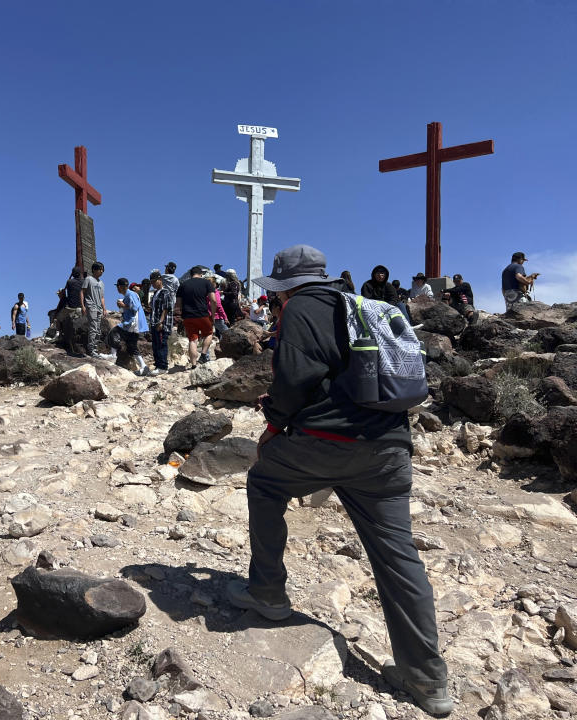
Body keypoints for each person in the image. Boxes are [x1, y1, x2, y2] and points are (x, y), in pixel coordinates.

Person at [225, 244, 452, 717]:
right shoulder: (361, 306)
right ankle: (428, 680)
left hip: (324, 444)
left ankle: (268, 593)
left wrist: (272, 424)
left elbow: (292, 380)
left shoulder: (302, 308)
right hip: (389, 449)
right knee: (397, 555)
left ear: (286, 285)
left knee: (264, 484)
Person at [175, 266, 217, 365]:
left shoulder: (183, 285)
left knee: (192, 340)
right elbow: (213, 300)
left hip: (188, 315)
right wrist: (213, 315)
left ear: (190, 274)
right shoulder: (207, 283)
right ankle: (203, 355)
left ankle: (193, 364)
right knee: (208, 333)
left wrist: (182, 312)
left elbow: (178, 303)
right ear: (201, 274)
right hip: (203, 314)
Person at [115, 277, 150, 376]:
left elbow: (135, 308)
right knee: (131, 344)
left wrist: (123, 305)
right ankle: (142, 366)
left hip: (134, 324)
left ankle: (143, 366)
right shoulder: (130, 294)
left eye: (117, 286)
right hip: (133, 324)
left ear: (120, 287)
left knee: (131, 344)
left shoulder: (130, 294)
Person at [81, 261, 108, 358]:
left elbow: (102, 297)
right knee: (93, 327)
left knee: (98, 329)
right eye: (100, 269)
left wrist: (104, 309)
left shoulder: (101, 283)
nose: (101, 271)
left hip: (99, 308)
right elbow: (82, 292)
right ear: (94, 270)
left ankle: (95, 349)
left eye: (102, 270)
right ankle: (91, 349)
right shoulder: (88, 279)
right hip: (91, 305)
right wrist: (83, 306)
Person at [57, 267, 85, 356]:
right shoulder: (84, 281)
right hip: (83, 306)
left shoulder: (69, 282)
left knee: (58, 318)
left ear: (72, 274)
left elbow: (67, 294)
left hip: (72, 307)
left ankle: (60, 334)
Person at [148, 271, 172, 375]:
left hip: (162, 323)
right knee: (155, 345)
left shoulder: (165, 292)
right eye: (151, 282)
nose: (153, 284)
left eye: (154, 281)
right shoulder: (155, 294)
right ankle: (158, 365)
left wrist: (161, 322)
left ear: (160, 280)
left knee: (162, 344)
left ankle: (163, 366)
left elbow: (166, 308)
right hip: (154, 323)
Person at [162, 262, 180, 330]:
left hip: (162, 299)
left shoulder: (161, 277)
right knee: (170, 318)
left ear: (167, 269)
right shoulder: (175, 279)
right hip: (172, 300)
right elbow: (178, 290)